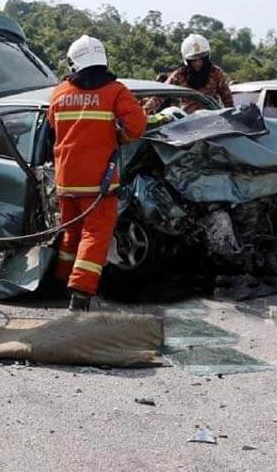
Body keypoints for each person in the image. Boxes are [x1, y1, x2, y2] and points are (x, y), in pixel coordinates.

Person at [49, 35, 147, 311]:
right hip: (97, 182)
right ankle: (80, 294)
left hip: (66, 178)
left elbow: (52, 129)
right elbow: (137, 126)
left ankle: (61, 283)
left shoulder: (59, 92)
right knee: (94, 235)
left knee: (72, 234)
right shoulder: (115, 91)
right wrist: (118, 137)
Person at [147, 34, 233, 113]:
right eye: (193, 60)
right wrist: (145, 110)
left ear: (206, 57)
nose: (197, 63)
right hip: (188, 123)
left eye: (201, 59)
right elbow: (162, 94)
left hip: (213, 118)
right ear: (187, 60)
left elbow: (227, 98)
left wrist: (231, 116)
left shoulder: (216, 73)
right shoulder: (179, 75)